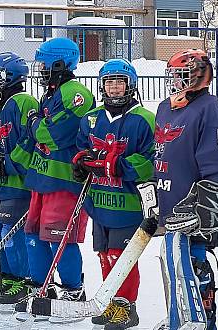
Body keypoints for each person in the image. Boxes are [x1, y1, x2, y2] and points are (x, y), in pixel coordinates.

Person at [71, 59, 157, 329]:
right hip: (100, 200)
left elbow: (152, 160)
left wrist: (121, 165)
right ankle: (110, 300)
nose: (115, 88)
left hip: (128, 202)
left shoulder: (143, 119)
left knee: (122, 255)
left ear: (130, 85)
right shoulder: (91, 118)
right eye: (109, 82)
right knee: (105, 254)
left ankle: (125, 306)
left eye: (120, 82)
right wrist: (81, 164)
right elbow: (82, 148)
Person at [14, 37, 95, 323]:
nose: (41, 70)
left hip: (63, 181)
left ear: (61, 63)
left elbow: (51, 134)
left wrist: (36, 123)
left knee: (62, 239)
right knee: (33, 235)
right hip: (41, 178)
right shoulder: (52, 92)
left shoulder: (77, 93)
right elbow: (35, 132)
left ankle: (73, 291)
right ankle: (42, 289)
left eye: (45, 64)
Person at [154, 49, 218, 330]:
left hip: (194, 208)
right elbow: (160, 153)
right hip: (169, 201)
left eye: (180, 74)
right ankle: (177, 317)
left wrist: (208, 203)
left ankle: (201, 320)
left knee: (193, 266)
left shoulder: (209, 109)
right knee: (171, 264)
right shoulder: (166, 107)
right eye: (173, 75)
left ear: (197, 75)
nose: (174, 80)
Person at [0, 52, 36, 312]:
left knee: (11, 233)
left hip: (18, 182)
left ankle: (23, 280)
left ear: (10, 76)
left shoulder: (23, 102)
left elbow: (28, 143)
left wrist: (4, 163)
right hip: (1, 183)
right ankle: (8, 276)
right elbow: (3, 141)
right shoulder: (4, 104)